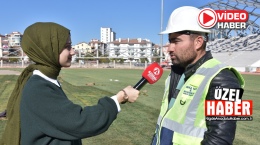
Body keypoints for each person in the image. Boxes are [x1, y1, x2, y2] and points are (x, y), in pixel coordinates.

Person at [0, 22, 139, 145]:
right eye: (67, 46)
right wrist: (120, 97)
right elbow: (80, 123)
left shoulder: (45, 79)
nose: (73, 51)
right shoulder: (38, 88)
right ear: (48, 50)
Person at [151, 6, 245, 145]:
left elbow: (220, 140)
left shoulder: (225, 78)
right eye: (170, 41)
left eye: (176, 41)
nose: (169, 48)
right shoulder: (176, 74)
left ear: (198, 42)